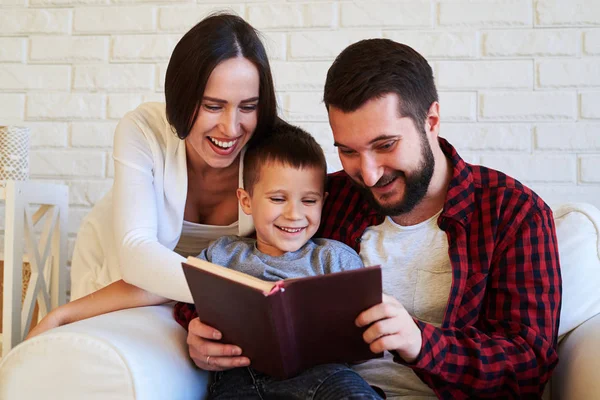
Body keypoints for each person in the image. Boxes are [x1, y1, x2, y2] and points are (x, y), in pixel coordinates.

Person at [180, 39, 562, 399]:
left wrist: (420, 342)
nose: (369, 174)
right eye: (348, 151)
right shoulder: (322, 202)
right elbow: (236, 270)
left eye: (385, 146)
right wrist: (198, 328)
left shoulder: (512, 213)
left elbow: (527, 367)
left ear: (431, 120)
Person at [28, 123, 383, 400]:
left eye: (309, 201)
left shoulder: (333, 258)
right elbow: (152, 287)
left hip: (322, 376)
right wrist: (64, 313)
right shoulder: (224, 255)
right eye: (277, 198)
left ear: (323, 200)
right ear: (246, 201)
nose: (294, 214)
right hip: (238, 380)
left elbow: (366, 333)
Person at [67, 12, 277, 311]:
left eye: (248, 106)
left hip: (204, 307)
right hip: (118, 286)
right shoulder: (143, 129)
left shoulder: (276, 149)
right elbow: (136, 255)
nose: (231, 128)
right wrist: (248, 293)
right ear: (180, 98)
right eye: (213, 106)